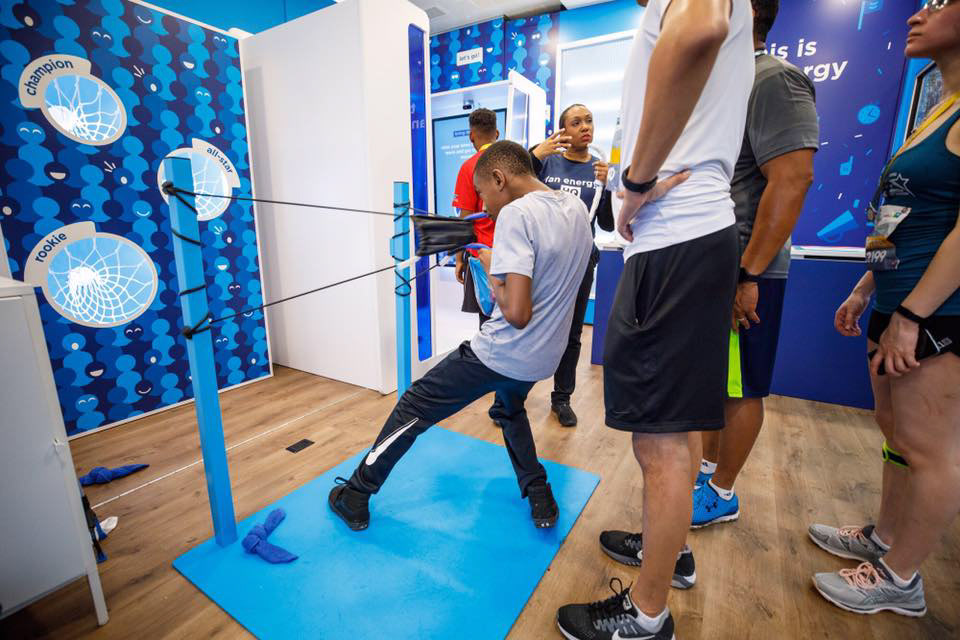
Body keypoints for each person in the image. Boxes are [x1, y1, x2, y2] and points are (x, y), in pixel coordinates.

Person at [556, 0, 754, 638]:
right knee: (678, 425)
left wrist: (635, 183)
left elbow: (699, 29)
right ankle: (674, 552)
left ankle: (646, 616)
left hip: (676, 236)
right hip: (688, 237)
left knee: (659, 440)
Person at [328, 141, 593, 532]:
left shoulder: (516, 214)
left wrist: (494, 271)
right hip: (543, 358)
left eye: (483, 193)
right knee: (509, 410)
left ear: (500, 179)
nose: (483, 206)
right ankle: (539, 493)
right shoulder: (576, 208)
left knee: (413, 406)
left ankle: (355, 494)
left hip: (501, 352)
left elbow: (517, 314)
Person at [809, 1, 960, 618]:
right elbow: (898, 219)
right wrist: (865, 288)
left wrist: (914, 317)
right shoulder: (938, 111)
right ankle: (886, 537)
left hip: (935, 312)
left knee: (930, 448)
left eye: (941, 3)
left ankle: (902, 579)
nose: (920, 13)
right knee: (896, 432)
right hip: (895, 300)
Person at [691, 0, 819, 528]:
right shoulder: (735, 83)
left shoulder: (773, 79)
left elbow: (792, 179)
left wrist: (750, 274)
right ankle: (706, 471)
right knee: (717, 382)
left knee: (741, 386)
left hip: (746, 269)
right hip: (719, 265)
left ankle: (722, 492)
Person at [528, 104, 615, 427]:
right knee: (530, 325)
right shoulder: (547, 161)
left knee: (572, 333)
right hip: (543, 257)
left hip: (581, 259)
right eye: (576, 122)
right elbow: (516, 187)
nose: (585, 127)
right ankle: (510, 397)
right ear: (563, 130)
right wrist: (535, 155)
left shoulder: (599, 169)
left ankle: (561, 398)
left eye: (588, 121)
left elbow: (607, 224)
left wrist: (608, 188)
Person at [453, 107, 499, 327]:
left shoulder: (469, 167)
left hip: (482, 257)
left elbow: (465, 220)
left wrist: (459, 260)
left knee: (487, 321)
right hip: (515, 253)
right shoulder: (514, 162)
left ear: (471, 136)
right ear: (496, 133)